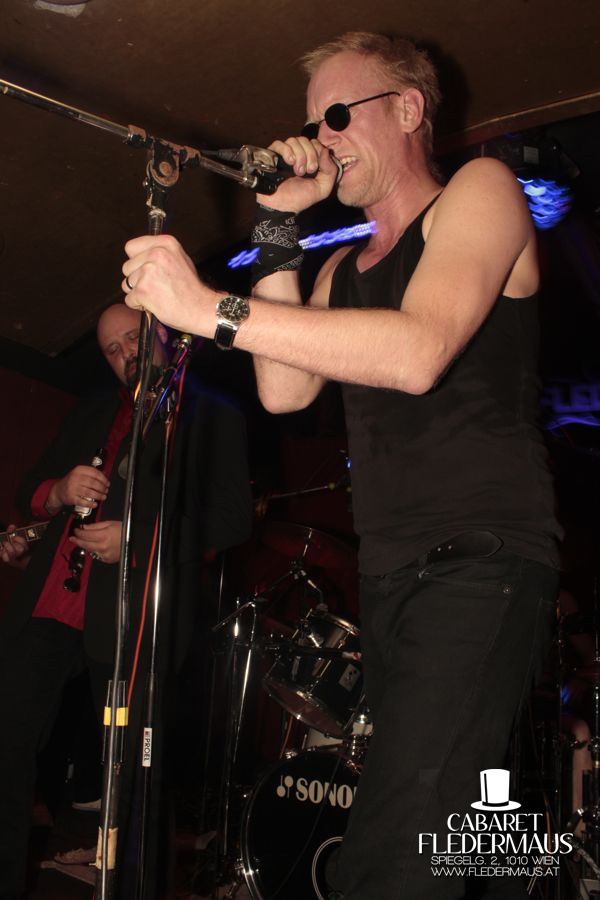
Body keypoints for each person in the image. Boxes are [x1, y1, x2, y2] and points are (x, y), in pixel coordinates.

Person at [120, 32, 561, 900]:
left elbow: (418, 352)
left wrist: (208, 308)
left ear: (408, 108)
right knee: (430, 826)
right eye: (311, 122)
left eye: (335, 115)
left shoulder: (482, 191)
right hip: (394, 572)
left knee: (395, 846)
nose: (318, 139)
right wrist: (279, 225)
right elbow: (283, 391)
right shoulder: (339, 272)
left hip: (483, 556)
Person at [0, 303, 252, 900]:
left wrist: (137, 542)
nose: (124, 355)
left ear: (161, 331)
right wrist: (58, 491)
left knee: (136, 773)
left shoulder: (210, 414)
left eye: (132, 339)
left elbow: (231, 520)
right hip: (52, 604)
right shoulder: (91, 412)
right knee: (6, 742)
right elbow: (29, 491)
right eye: (111, 350)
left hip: (130, 615)